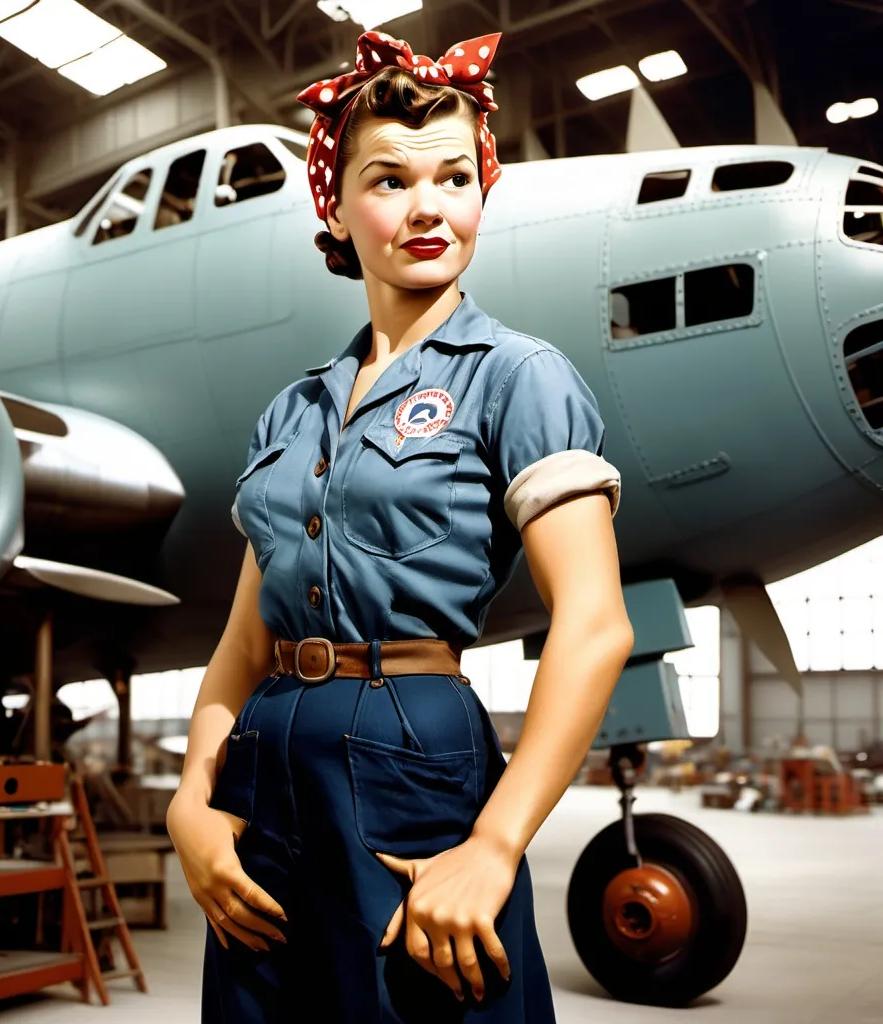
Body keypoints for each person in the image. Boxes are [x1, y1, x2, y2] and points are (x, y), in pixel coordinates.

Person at [166, 28, 634, 1023]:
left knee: (427, 998)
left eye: (454, 177)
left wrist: (495, 843)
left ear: (481, 189)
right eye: (388, 180)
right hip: (261, 765)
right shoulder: (290, 412)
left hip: (410, 748)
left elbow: (594, 624)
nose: (428, 207)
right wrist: (189, 804)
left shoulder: (519, 376)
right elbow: (244, 644)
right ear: (333, 203)